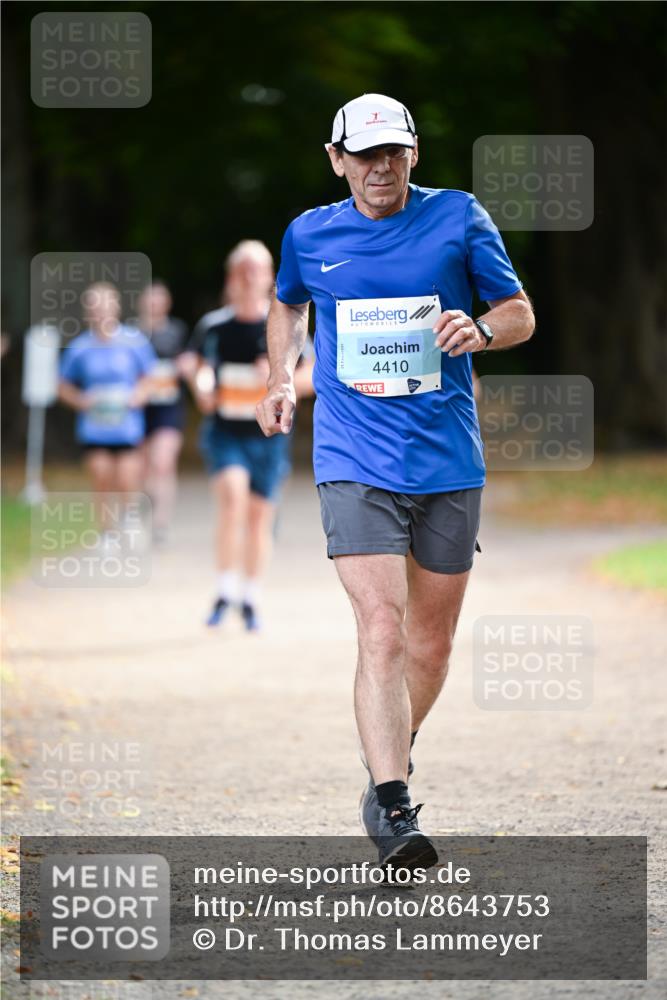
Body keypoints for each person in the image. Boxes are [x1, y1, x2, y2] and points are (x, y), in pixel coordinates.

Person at [256, 94, 535, 873]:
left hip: (446, 458)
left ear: (413, 155)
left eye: (394, 153)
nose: (380, 168)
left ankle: (391, 749)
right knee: (380, 625)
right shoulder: (309, 234)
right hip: (353, 456)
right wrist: (280, 377)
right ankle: (392, 803)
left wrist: (479, 329)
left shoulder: (458, 218)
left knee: (430, 641)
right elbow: (286, 307)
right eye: (364, 154)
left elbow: (517, 311)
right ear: (336, 158)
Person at [190, 240, 313, 632]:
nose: (248, 276)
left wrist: (282, 379)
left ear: (269, 278)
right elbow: (197, 366)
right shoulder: (214, 325)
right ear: (231, 278)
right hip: (226, 432)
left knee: (259, 518)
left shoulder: (282, 325)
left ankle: (250, 597)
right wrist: (202, 386)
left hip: (269, 437)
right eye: (241, 269)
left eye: (256, 269)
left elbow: (313, 374)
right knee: (232, 500)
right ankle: (225, 589)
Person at [59, 281, 157, 537]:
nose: (100, 312)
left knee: (127, 478)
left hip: (126, 425)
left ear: (116, 308)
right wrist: (81, 400)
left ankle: (130, 514)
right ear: (87, 312)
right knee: (101, 476)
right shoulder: (79, 347)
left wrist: (139, 395)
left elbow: (150, 378)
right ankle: (106, 532)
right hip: (95, 426)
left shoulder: (134, 341)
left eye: (105, 306)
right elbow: (62, 386)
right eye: (94, 308)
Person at [136, 282, 190, 543]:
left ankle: (160, 524)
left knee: (163, 462)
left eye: (159, 299)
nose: (154, 304)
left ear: (167, 303)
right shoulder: (132, 333)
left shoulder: (177, 330)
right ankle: (140, 506)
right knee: (141, 466)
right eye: (150, 299)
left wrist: (184, 367)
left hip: (168, 406)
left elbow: (190, 360)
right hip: (138, 408)